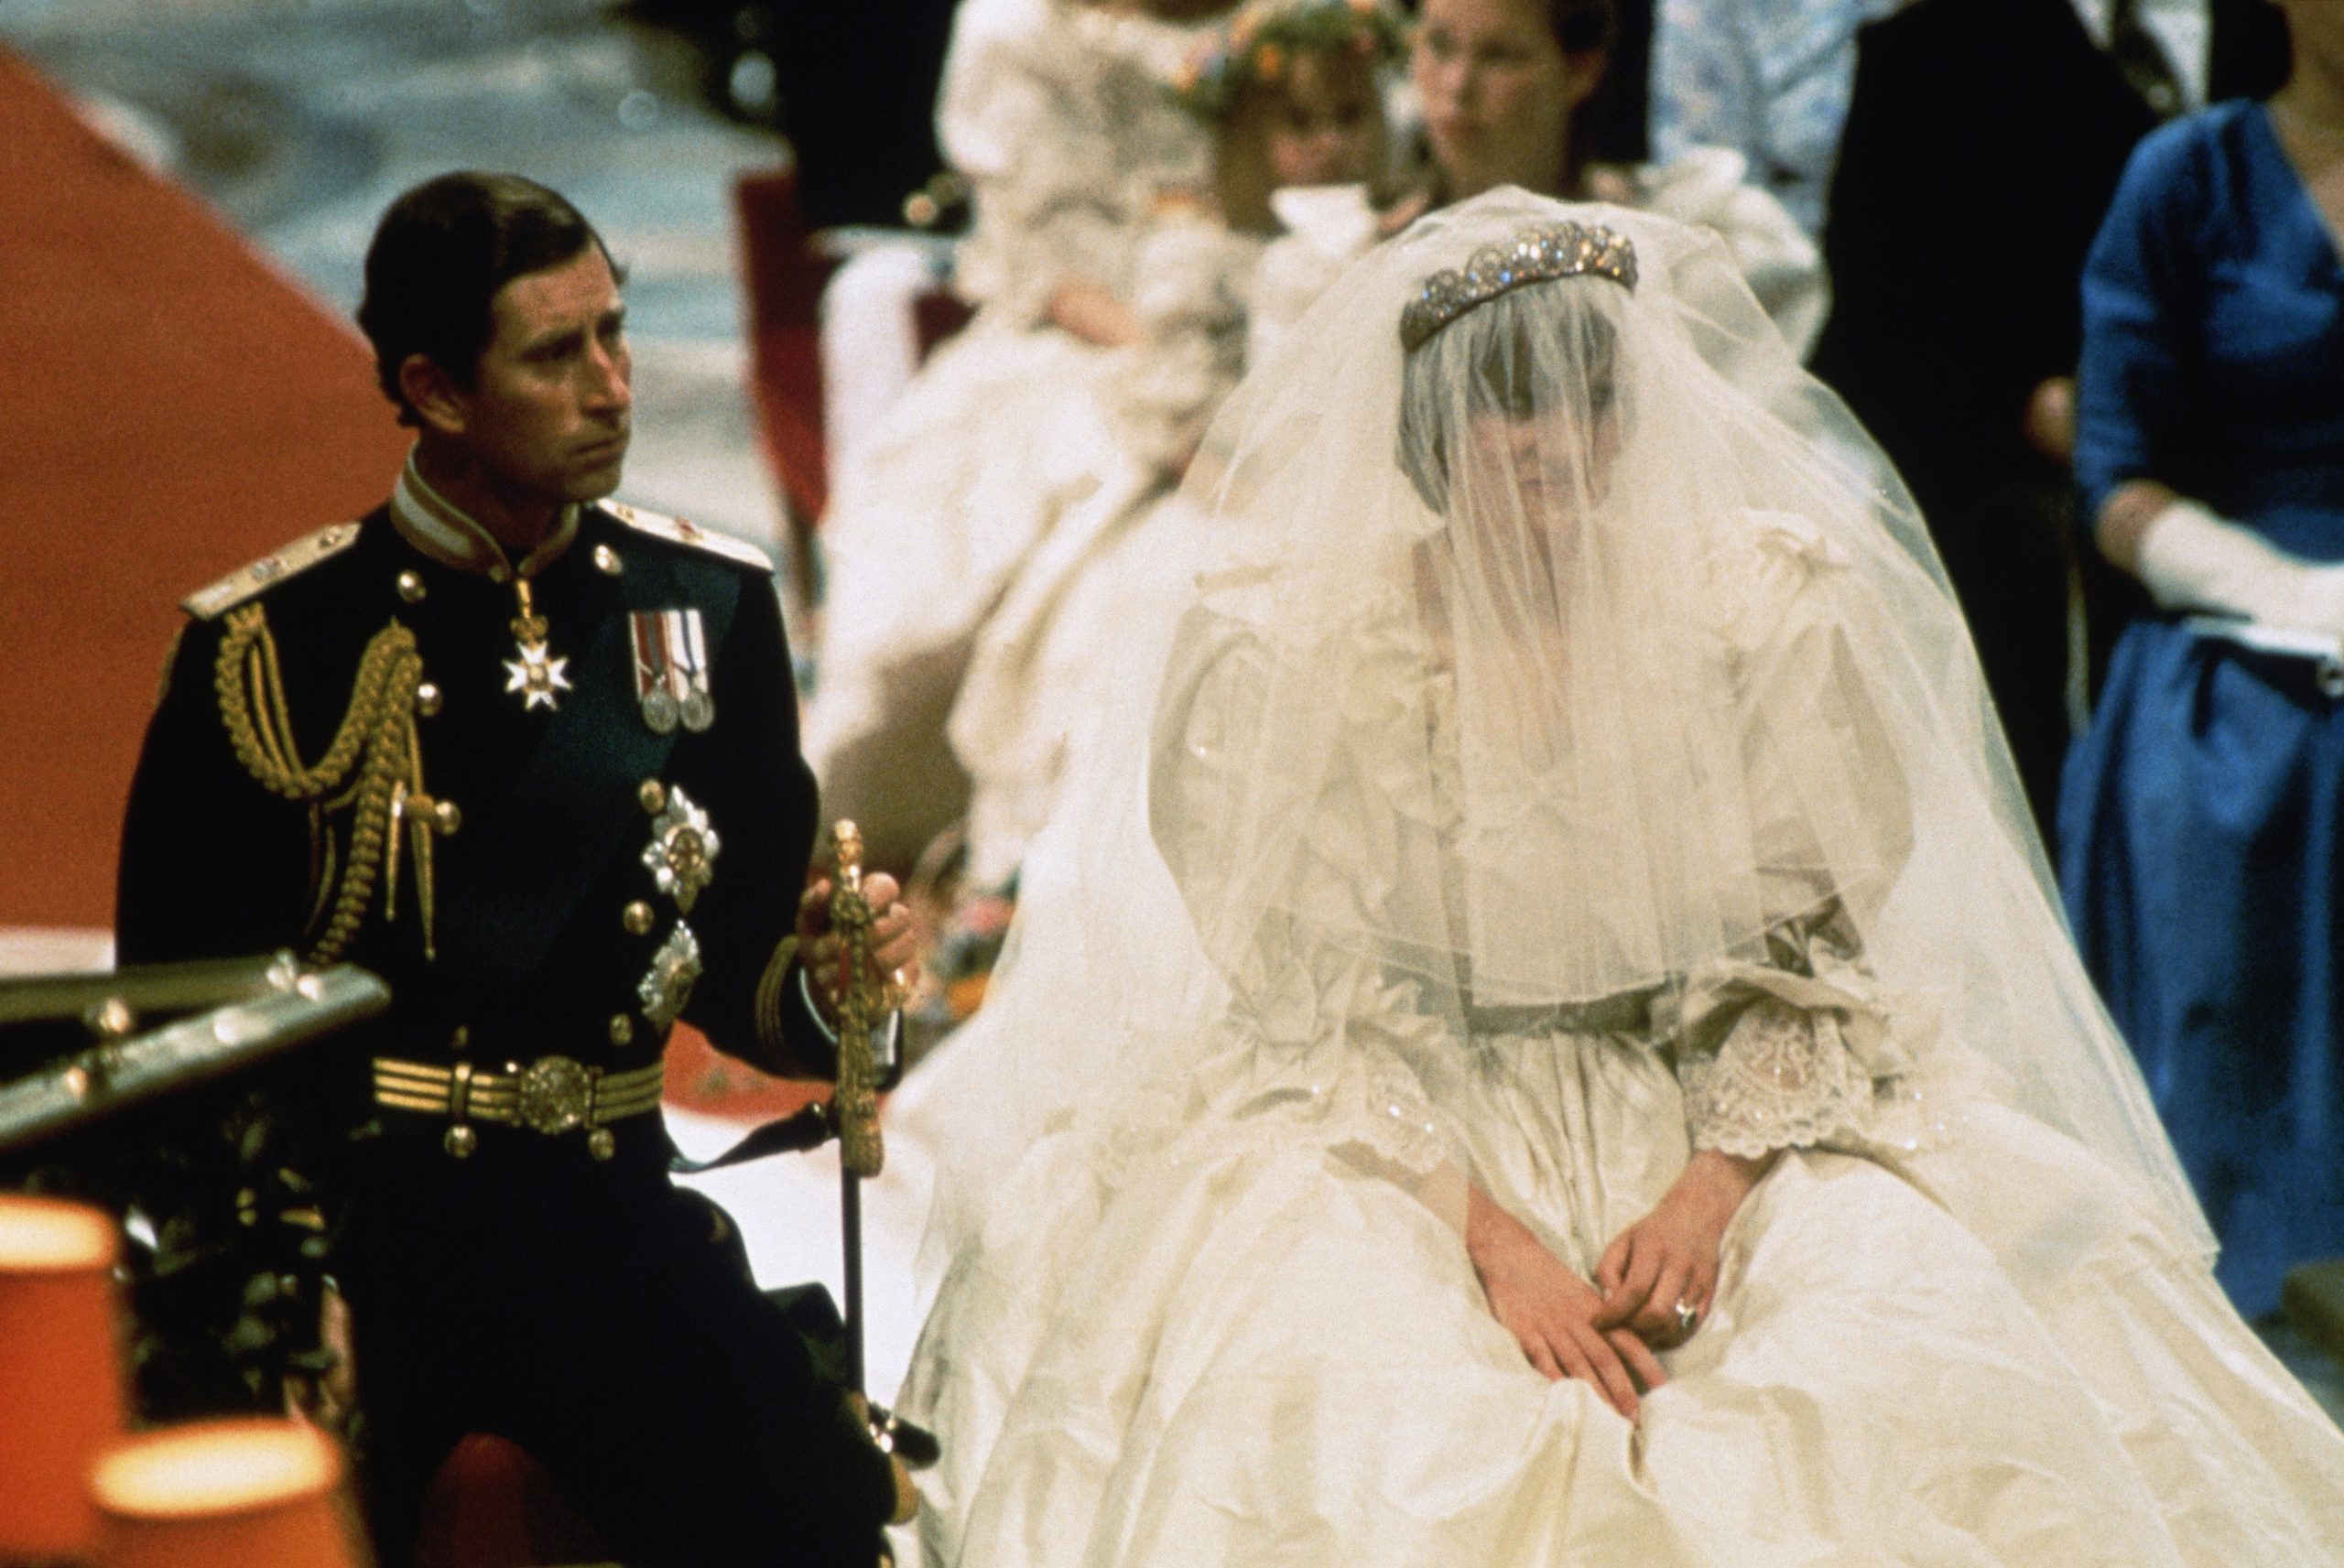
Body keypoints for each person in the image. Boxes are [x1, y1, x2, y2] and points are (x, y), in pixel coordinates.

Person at [894, 190, 2344, 1565]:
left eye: (1585, 398)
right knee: (1350, 1383)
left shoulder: (1754, 616)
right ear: (1432, 430)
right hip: (1405, 1121)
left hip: (1704, 1096)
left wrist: (1713, 1189)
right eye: (1505, 403)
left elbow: (1806, 960)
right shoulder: (1302, 647)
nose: (1547, 441)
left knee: (1902, 1338)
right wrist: (1490, 1240)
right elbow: (1309, 1002)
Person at [115, 172, 920, 1568]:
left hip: (610, 1221)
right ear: (433, 391)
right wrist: (277, 1279)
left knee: (828, 1524)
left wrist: (845, 987)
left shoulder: (706, 612)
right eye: (559, 355)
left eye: (614, 334)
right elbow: (177, 1038)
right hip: (372, 1244)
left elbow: (747, 984)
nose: (615, 384)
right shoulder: (273, 650)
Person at [941, 0, 1403, 913]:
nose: (1328, 146)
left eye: (1346, 122)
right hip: (1198, 435)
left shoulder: (1366, 223)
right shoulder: (1196, 259)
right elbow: (1170, 392)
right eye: (1300, 127)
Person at [1807, 0, 2288, 843]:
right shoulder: (1931, 53)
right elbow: (1877, 350)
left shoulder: (2296, 37)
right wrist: (2034, 408)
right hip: (2037, 525)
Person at [2060, 0, 2344, 1322]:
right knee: (2250, 771)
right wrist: (2274, 588)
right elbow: (2116, 479)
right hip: (2242, 646)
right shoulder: (2188, 176)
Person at [805, 0, 1234, 872]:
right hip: (1088, 337)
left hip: (1260, 313)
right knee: (1079, 531)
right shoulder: (1019, 30)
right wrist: (1178, 369)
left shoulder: (1302, 21)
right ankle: (1023, 859)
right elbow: (1050, 264)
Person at [1405, 0, 1827, 354]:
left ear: (1580, 71)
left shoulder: (1682, 249)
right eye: (1439, 46)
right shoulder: (1357, 245)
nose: (1457, 86)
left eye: (1500, 56)